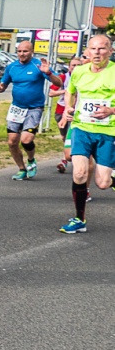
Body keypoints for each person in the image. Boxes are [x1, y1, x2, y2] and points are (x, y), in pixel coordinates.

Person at [56, 34, 115, 234]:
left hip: (108, 132)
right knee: (79, 173)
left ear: (110, 51)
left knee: (103, 183)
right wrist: (67, 108)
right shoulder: (79, 71)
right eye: (93, 49)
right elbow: (69, 91)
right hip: (81, 128)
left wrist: (111, 111)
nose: (97, 53)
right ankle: (79, 219)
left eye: (102, 49)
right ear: (87, 51)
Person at [0, 40, 62, 180]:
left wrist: (48, 73)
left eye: (25, 51)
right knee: (12, 141)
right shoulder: (12, 67)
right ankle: (21, 168)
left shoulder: (38, 65)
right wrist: (0, 88)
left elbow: (59, 83)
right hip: (17, 108)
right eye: (19, 51)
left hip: (34, 108)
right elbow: (4, 84)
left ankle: (31, 159)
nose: (22, 54)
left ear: (31, 52)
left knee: (26, 139)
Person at [50, 56, 84, 173]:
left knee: (74, 136)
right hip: (61, 111)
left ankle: (67, 160)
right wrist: (66, 91)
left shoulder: (86, 77)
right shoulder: (64, 78)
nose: (75, 68)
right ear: (69, 67)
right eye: (73, 65)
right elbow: (51, 93)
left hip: (77, 113)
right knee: (64, 137)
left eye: (78, 65)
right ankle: (71, 157)